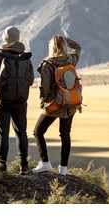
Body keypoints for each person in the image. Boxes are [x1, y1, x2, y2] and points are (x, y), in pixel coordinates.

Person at [0, 26, 34, 174]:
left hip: (2, 101)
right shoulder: (25, 57)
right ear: (18, 38)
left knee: (2, 134)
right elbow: (31, 80)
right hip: (20, 101)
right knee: (21, 133)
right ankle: (24, 165)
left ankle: (1, 165)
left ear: (4, 38)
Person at [32, 35, 81, 175]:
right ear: (64, 46)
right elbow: (77, 47)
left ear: (51, 47)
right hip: (70, 103)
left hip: (54, 105)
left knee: (38, 131)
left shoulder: (48, 64)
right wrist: (65, 39)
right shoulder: (70, 60)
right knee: (65, 134)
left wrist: (45, 102)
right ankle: (63, 169)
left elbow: (44, 88)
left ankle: (45, 162)